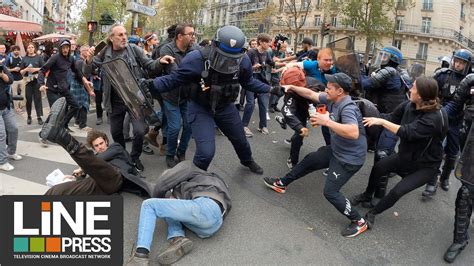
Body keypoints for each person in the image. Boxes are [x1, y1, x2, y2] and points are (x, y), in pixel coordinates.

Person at [147, 25, 269, 174]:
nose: (228, 62)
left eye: (232, 59)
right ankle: (195, 178)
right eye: (224, 57)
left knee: (240, 140)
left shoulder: (243, 61)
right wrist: (150, 85)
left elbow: (248, 82)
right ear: (214, 46)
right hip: (200, 107)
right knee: (205, 153)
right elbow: (174, 79)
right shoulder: (196, 59)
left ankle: (247, 160)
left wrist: (270, 89)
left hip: (225, 107)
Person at [264, 72, 369, 238]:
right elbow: (311, 94)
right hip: (336, 149)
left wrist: (326, 121)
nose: (325, 89)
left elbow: (354, 132)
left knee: (331, 192)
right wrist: (292, 87)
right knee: (310, 160)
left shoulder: (347, 107)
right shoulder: (332, 99)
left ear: (340, 91)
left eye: (329, 87)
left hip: (349, 159)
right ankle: (281, 184)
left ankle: (359, 221)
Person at [351, 76, 448, 229]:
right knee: (379, 167)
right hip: (406, 155)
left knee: (397, 191)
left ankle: (372, 214)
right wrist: (363, 117)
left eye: (414, 87)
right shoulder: (409, 105)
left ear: (421, 95)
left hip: (426, 165)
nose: (410, 89)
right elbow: (391, 118)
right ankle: (367, 194)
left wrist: (382, 122)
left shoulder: (434, 118)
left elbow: (407, 132)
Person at [84, 24, 172, 171]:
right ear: (111, 38)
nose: (124, 37)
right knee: (116, 132)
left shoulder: (133, 49)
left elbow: (149, 64)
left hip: (134, 100)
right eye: (120, 35)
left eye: (125, 34)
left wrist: (160, 61)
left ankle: (135, 157)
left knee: (139, 131)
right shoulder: (104, 53)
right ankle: (123, 155)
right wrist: (89, 59)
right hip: (114, 102)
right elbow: (88, 71)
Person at [40, 98, 153, 197]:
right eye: (96, 146)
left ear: (106, 142)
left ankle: (61, 136)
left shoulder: (116, 147)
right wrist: (74, 177)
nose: (100, 147)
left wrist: (82, 169)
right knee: (55, 191)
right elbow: (92, 165)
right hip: (96, 183)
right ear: (93, 148)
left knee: (96, 164)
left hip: (115, 178)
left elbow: (98, 160)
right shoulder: (93, 159)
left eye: (101, 143)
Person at [126, 161, 231, 265]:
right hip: (212, 225)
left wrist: (159, 195)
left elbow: (161, 185)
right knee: (169, 203)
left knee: (149, 205)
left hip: (206, 207)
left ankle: (140, 256)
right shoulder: (207, 181)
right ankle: (178, 238)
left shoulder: (188, 167)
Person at [359, 46, 412, 206]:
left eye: (384, 55)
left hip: (391, 120)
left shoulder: (389, 71)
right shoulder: (401, 73)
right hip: (386, 117)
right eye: (380, 54)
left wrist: (357, 70)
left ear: (392, 59)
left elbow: (366, 84)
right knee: (383, 153)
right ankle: (373, 192)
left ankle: (377, 196)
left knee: (382, 156)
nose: (381, 57)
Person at [423, 49, 472, 197]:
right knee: (436, 148)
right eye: (456, 61)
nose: (457, 64)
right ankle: (432, 180)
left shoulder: (471, 80)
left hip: (458, 122)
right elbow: (430, 92)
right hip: (440, 117)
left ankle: (444, 178)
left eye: (461, 62)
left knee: (452, 153)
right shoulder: (442, 75)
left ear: (467, 65)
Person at [442, 73, 474, 263]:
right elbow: (454, 106)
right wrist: (434, 116)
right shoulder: (470, 79)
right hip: (470, 145)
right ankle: (459, 239)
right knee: (466, 191)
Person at [159, 23, 195, 168]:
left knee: (189, 125)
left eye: (194, 34)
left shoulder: (194, 50)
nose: (193, 37)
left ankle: (181, 152)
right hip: (170, 97)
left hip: (187, 96)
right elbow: (175, 73)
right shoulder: (166, 49)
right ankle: (169, 154)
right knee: (174, 127)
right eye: (191, 34)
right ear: (180, 36)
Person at [276, 68, 324, 169]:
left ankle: (283, 121)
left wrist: (321, 113)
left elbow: (324, 97)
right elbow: (287, 111)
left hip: (311, 109)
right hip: (299, 110)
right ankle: (293, 160)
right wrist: (299, 128)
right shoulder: (290, 93)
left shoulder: (314, 82)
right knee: (298, 137)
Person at [242, 33, 282, 136]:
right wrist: (253, 68)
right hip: (251, 81)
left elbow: (273, 63)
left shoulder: (267, 53)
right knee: (250, 103)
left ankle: (263, 126)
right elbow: (243, 70)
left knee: (263, 104)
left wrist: (289, 63)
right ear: (261, 42)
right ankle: (244, 126)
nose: (269, 44)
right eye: (267, 42)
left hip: (262, 81)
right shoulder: (250, 53)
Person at [37, 39, 81, 131]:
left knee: (76, 106)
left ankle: (64, 124)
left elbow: (76, 71)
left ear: (69, 48)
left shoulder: (71, 59)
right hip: (52, 89)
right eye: (63, 48)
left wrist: (84, 81)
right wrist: (41, 83)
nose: (65, 50)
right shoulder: (55, 58)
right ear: (60, 48)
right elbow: (42, 70)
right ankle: (43, 134)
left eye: (67, 48)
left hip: (64, 88)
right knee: (55, 113)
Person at [0, 62, 22, 171]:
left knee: (13, 128)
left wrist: (1, 74)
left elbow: (11, 80)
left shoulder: (2, 67)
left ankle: (11, 152)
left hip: (5, 106)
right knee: (1, 134)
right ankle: (2, 161)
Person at [70, 45, 95, 130]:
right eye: (87, 50)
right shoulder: (80, 62)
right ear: (82, 52)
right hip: (79, 85)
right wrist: (90, 90)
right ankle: (83, 124)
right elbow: (83, 78)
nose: (89, 52)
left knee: (78, 105)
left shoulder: (79, 60)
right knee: (84, 104)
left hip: (77, 84)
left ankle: (77, 122)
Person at [20, 43, 45, 126]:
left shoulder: (39, 57)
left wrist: (35, 69)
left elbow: (44, 68)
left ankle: (39, 116)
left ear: (34, 49)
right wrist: (26, 69)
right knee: (28, 99)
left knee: (38, 99)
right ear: (27, 49)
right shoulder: (24, 58)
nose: (30, 49)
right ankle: (29, 116)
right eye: (29, 47)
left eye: (32, 47)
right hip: (27, 82)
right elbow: (21, 72)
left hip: (37, 80)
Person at [6, 45, 24, 113]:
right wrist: (13, 69)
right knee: (15, 95)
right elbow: (6, 69)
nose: (16, 51)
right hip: (13, 79)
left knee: (22, 93)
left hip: (21, 78)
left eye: (18, 50)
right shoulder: (9, 59)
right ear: (13, 51)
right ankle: (17, 108)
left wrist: (21, 69)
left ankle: (21, 106)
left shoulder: (21, 58)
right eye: (15, 50)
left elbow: (23, 66)